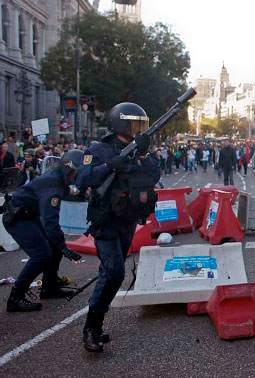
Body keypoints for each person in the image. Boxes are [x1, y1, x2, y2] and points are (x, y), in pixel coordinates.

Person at [75, 102, 159, 353]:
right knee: (113, 273)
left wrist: (143, 155)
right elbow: (82, 177)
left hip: (127, 219)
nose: (138, 129)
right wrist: (111, 165)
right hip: (105, 220)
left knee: (112, 272)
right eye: (134, 124)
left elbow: (154, 175)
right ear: (121, 124)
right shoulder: (98, 149)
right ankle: (91, 327)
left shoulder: (138, 150)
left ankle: (96, 326)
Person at [3, 150, 84, 312]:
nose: (79, 177)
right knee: (41, 255)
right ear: (69, 169)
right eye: (77, 172)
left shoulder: (57, 178)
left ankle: (49, 287)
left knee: (54, 247)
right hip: (18, 219)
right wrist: (64, 247)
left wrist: (60, 246)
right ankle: (15, 297)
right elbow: (50, 223)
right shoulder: (53, 186)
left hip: (28, 215)